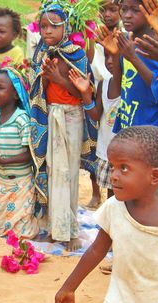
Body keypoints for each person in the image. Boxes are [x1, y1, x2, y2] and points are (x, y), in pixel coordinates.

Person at [55, 125, 158, 303]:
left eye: (123, 168)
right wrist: (69, 287)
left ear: (154, 176)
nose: (113, 175)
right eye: (113, 167)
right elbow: (96, 251)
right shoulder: (114, 209)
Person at [28, 2, 94, 251]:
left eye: (53, 25)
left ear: (65, 26)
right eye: (43, 26)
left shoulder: (76, 53)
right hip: (49, 115)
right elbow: (36, 89)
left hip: (72, 116)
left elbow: (84, 91)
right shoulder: (40, 54)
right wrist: (45, 80)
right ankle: (55, 227)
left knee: (69, 173)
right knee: (53, 170)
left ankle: (70, 229)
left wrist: (58, 79)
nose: (47, 31)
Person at [0, 67, 39, 238]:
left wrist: (4, 161)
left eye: (0, 88)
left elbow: (29, 154)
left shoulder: (21, 119)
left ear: (16, 94)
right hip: (2, 182)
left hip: (21, 183)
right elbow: (1, 152)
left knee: (22, 234)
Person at [97, 0, 158, 133]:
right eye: (124, 9)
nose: (127, 15)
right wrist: (115, 55)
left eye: (135, 10)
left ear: (151, 12)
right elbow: (118, 89)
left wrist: (133, 58)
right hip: (128, 122)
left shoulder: (152, 44)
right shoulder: (125, 40)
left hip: (150, 128)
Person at [69, 48, 121, 199]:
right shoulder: (103, 85)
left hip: (125, 152)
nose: (110, 61)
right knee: (112, 194)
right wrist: (86, 95)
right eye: (106, 56)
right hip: (107, 150)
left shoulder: (129, 87)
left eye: (115, 56)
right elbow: (96, 115)